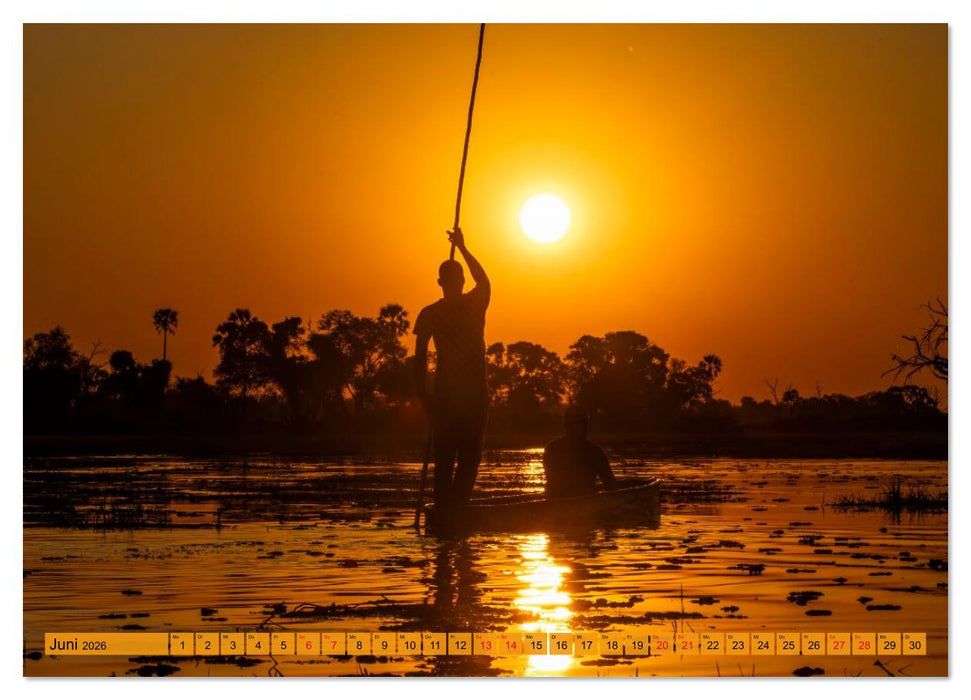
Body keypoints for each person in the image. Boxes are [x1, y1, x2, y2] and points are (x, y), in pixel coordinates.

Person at [413, 227, 490, 507]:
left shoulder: (474, 304)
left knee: (469, 457)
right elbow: (419, 357)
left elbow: (483, 281)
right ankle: (447, 509)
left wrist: (463, 248)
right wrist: (423, 395)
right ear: (440, 282)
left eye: (458, 278)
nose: (455, 283)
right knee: (445, 457)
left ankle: (456, 508)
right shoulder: (430, 313)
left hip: (474, 395)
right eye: (450, 279)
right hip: (446, 396)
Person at [543, 406, 617, 498]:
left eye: (580, 424)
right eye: (575, 424)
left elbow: (610, 484)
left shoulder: (551, 448)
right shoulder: (552, 449)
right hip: (563, 501)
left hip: (561, 502)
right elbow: (611, 486)